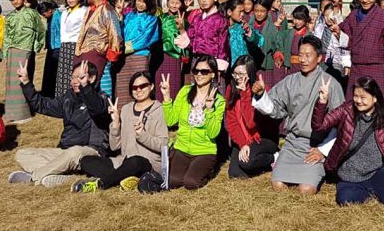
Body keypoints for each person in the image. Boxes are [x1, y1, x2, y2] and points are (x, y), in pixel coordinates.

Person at [252, 35, 346, 194]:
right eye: (300, 55)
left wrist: (323, 152)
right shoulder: (290, 81)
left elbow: (342, 123)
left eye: (308, 55)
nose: (303, 59)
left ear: (319, 58)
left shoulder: (331, 83)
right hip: (293, 143)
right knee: (278, 186)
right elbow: (275, 109)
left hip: (317, 144)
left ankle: (319, 170)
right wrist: (261, 95)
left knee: (306, 190)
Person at [312, 75, 384, 206]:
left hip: (375, 172)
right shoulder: (346, 110)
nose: (358, 101)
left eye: (363, 97)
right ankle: (371, 192)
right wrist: (322, 102)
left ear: (375, 98)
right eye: (356, 96)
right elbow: (319, 126)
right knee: (345, 200)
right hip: (348, 174)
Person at [8, 59, 111, 186]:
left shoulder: (102, 99)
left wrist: (85, 87)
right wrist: (26, 83)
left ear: (92, 78)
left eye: (80, 77)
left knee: (74, 152)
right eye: (73, 77)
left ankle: (34, 177)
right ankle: (59, 175)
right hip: (65, 150)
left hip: (90, 151)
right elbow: (42, 105)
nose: (74, 81)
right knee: (23, 153)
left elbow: (96, 107)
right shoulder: (69, 98)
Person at [74, 70, 168, 192]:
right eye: (134, 88)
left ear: (152, 87)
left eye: (143, 86)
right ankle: (126, 178)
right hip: (123, 162)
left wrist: (142, 135)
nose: (138, 90)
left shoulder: (159, 110)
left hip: (147, 163)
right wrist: (116, 123)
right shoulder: (126, 109)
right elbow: (114, 147)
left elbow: (163, 145)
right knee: (86, 161)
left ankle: (101, 184)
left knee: (135, 161)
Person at [160, 54, 226, 190]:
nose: (199, 74)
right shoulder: (185, 91)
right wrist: (166, 97)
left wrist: (208, 110)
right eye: (196, 71)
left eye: (204, 71)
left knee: (191, 183)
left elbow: (213, 133)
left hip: (204, 151)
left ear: (213, 74)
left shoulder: (219, 101)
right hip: (182, 148)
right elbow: (171, 120)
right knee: (172, 181)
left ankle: (207, 171)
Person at [225, 55, 279, 179]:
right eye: (235, 73)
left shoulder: (258, 90)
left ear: (250, 74)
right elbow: (231, 122)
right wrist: (243, 144)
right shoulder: (231, 89)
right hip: (244, 137)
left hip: (262, 138)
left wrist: (244, 95)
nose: (238, 78)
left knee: (246, 163)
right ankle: (255, 163)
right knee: (235, 173)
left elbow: (251, 123)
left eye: (242, 74)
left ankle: (274, 157)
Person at [1, 0, 46, 124]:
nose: (16, 2)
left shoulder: (32, 14)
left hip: (25, 48)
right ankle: (11, 112)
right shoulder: (9, 17)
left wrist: (37, 46)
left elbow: (40, 31)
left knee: (22, 79)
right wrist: (5, 52)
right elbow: (7, 36)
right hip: (12, 49)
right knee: (11, 81)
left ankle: (23, 113)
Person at [114, 0, 161, 104]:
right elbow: (119, 32)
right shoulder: (129, 15)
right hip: (123, 58)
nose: (140, 4)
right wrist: (119, 17)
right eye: (139, 0)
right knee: (122, 88)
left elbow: (144, 40)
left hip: (139, 56)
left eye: (144, 2)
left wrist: (124, 48)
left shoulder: (152, 19)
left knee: (139, 88)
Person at [74, 0, 122, 93]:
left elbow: (115, 35)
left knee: (94, 87)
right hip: (85, 53)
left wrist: (111, 56)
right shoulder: (91, 10)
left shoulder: (107, 10)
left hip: (98, 53)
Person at [186, 0, 229, 76]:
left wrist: (219, 65)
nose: (203, 0)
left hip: (212, 62)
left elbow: (223, 44)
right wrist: (182, 29)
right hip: (196, 60)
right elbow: (190, 40)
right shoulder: (196, 18)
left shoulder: (220, 20)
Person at [154, 0, 187, 102]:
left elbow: (186, 39)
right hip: (160, 56)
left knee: (173, 85)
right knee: (159, 84)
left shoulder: (184, 20)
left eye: (177, 3)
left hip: (175, 57)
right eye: (172, 2)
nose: (174, 5)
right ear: (167, 2)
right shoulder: (160, 18)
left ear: (181, 4)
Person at [56, 0, 87, 98]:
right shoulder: (65, 12)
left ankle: (76, 97)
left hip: (75, 44)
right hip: (64, 44)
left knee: (73, 72)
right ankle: (63, 98)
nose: (70, 0)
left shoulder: (83, 11)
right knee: (63, 74)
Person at [227, 0, 263, 64]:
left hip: (244, 66)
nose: (242, 14)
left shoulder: (242, 26)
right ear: (229, 12)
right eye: (240, 11)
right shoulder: (221, 28)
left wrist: (249, 32)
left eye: (243, 11)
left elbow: (261, 41)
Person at [38, 1, 61, 98]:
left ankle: (53, 93)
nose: (44, 16)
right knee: (48, 70)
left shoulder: (59, 17)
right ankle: (48, 92)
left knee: (54, 71)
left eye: (44, 14)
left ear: (50, 10)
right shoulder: (50, 18)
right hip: (51, 46)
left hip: (58, 46)